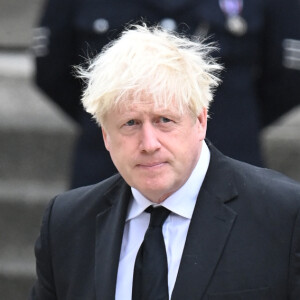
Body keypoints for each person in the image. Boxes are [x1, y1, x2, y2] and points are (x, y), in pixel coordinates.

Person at [30, 24, 300, 300]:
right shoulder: (66, 224)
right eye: (130, 123)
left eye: (165, 120)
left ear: (200, 121)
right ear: (106, 136)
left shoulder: (284, 215)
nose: (149, 144)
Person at [32, 0, 300, 187]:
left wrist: (203, 123)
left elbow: (288, 77)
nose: (153, 141)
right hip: (108, 174)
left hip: (228, 168)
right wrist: (118, 124)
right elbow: (53, 70)